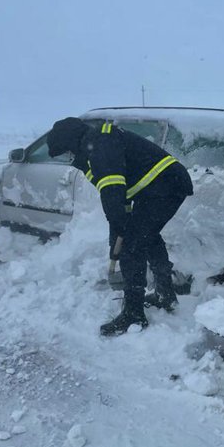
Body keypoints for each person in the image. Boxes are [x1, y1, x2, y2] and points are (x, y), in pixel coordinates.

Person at [47, 118, 193, 336]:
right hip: (160, 187)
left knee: (132, 246)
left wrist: (119, 230)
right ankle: (165, 294)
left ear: (72, 142)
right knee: (147, 236)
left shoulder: (100, 145)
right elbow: (120, 193)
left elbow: (112, 190)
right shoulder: (96, 144)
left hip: (165, 187)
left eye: (65, 151)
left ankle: (134, 314)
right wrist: (118, 227)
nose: (67, 157)